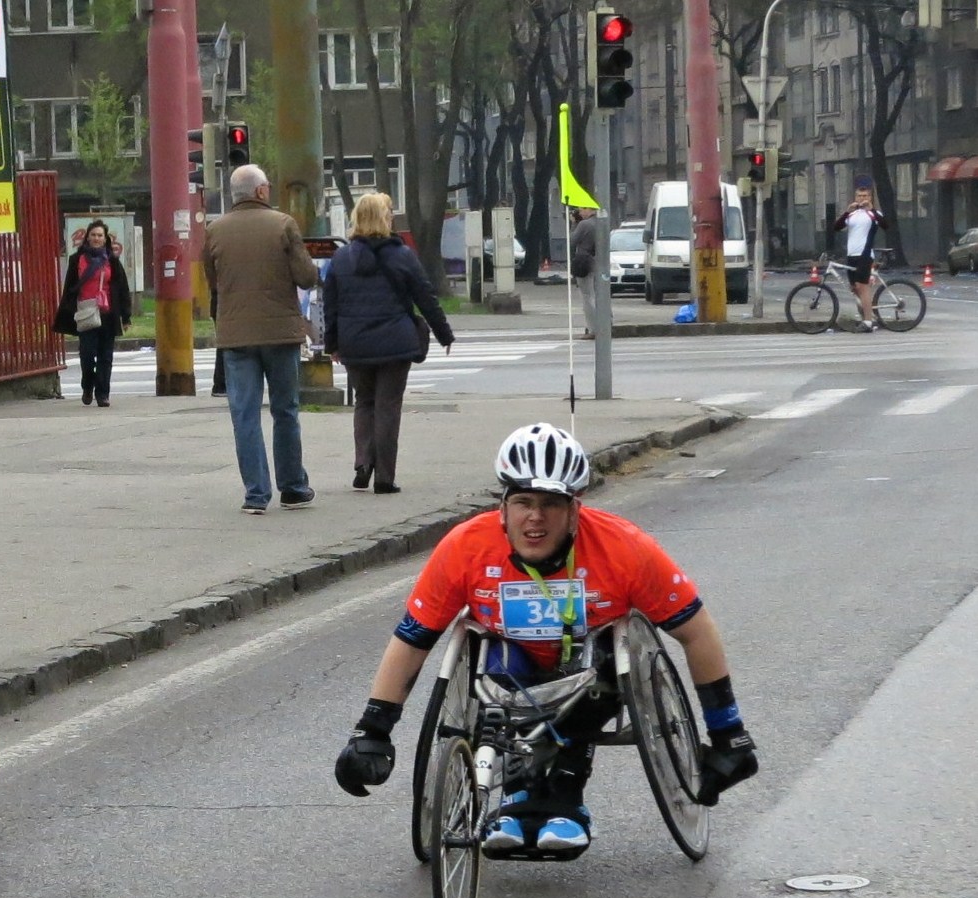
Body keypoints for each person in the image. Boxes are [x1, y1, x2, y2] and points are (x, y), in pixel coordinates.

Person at [333, 422, 758, 856]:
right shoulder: (465, 548)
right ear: (502, 507)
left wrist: (729, 733)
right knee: (500, 660)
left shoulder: (624, 548)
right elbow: (413, 638)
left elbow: (696, 632)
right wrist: (373, 729)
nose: (535, 517)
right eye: (523, 502)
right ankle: (518, 792)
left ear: (575, 509)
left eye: (551, 504)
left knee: (602, 662)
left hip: (592, 670)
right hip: (507, 666)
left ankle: (565, 794)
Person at [202, 164, 319, 515]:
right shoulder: (283, 224)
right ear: (261, 191)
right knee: (285, 410)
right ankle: (293, 488)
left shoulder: (214, 230)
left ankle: (256, 494)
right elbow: (306, 276)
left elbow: (213, 280)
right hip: (280, 334)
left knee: (245, 415)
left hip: (236, 336)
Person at [323, 192, 453, 496]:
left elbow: (330, 306)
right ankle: (384, 476)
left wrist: (332, 344)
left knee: (364, 402)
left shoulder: (341, 258)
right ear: (384, 218)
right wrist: (443, 333)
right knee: (388, 407)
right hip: (395, 343)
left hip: (355, 344)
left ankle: (362, 462)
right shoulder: (402, 255)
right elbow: (425, 297)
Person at [52, 220, 132, 406]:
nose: (96, 238)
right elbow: (70, 287)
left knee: (106, 356)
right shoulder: (76, 259)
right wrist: (67, 311)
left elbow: (122, 288)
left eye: (100, 235)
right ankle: (88, 386)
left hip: (108, 313)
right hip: (86, 312)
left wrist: (126, 316)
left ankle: (102, 394)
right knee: (87, 354)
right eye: (93, 235)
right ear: (87, 237)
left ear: (105, 239)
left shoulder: (112, 260)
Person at [832, 178, 887, 333]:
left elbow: (885, 225)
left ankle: (868, 322)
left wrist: (872, 210)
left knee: (863, 287)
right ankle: (865, 318)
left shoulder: (873, 214)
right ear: (855, 197)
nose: (862, 199)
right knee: (854, 288)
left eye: (865, 196)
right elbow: (837, 227)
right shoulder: (852, 214)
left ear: (870, 197)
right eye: (859, 196)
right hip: (851, 254)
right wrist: (846, 212)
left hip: (865, 254)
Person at [570, 206, 599, 339]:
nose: (580, 213)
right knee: (600, 296)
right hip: (599, 263)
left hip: (584, 263)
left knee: (587, 297)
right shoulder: (602, 222)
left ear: (589, 209)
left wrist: (573, 224)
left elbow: (572, 241)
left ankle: (593, 328)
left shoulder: (584, 224)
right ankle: (607, 324)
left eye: (582, 210)